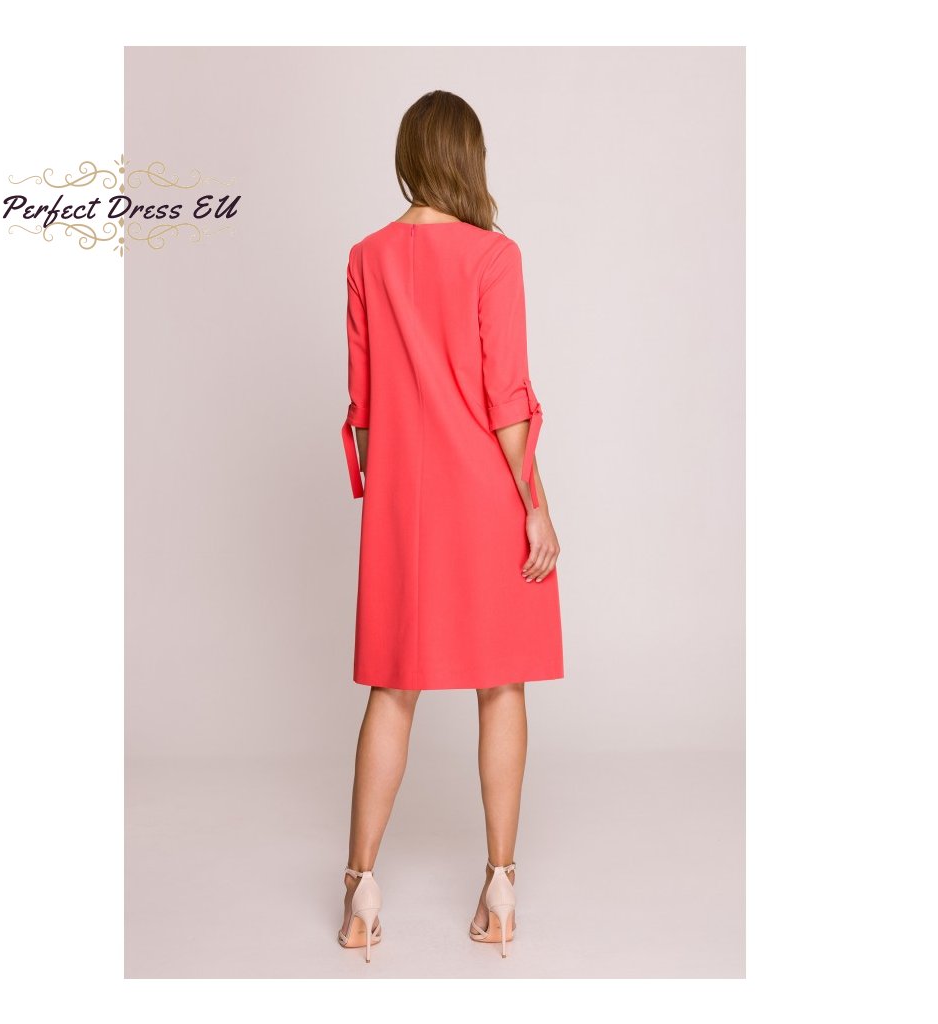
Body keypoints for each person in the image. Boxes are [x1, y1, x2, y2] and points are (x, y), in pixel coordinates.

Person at [337, 90, 564, 963]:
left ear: (409, 157)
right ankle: (500, 888)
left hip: (403, 503)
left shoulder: (366, 257)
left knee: (391, 689)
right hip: (486, 498)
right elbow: (507, 403)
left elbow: (363, 411)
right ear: (468, 159)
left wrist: (393, 493)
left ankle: (359, 892)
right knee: (501, 685)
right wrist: (535, 504)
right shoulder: (494, 256)